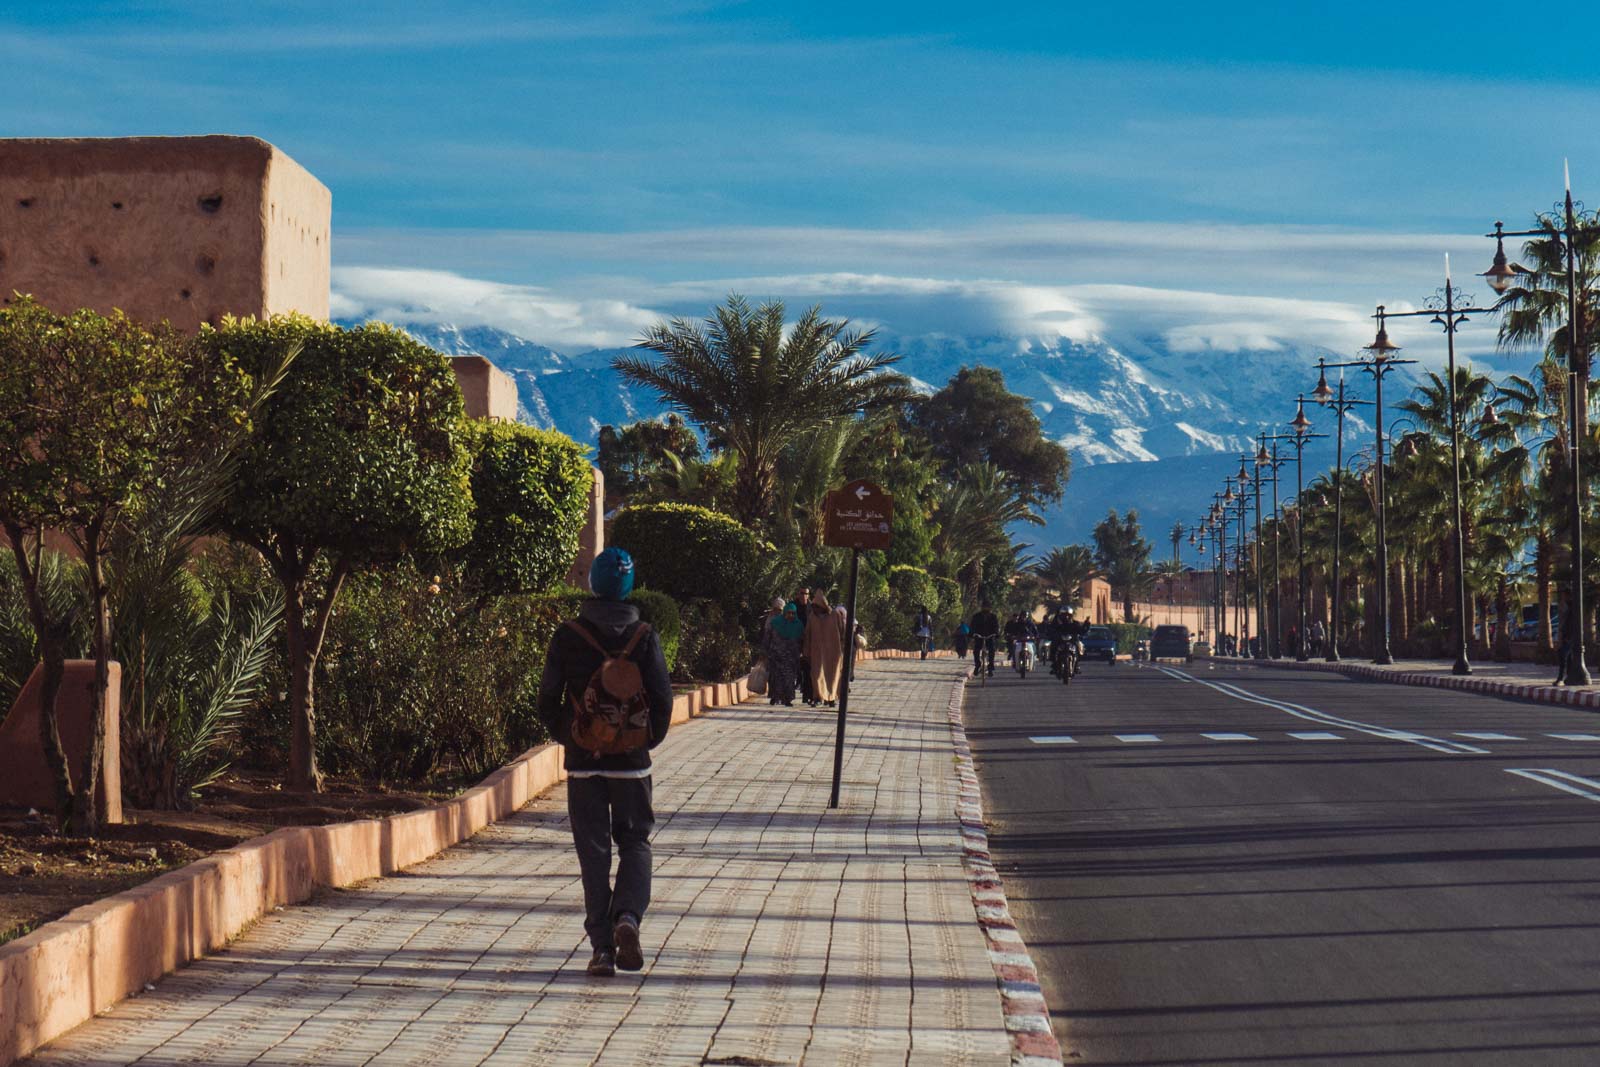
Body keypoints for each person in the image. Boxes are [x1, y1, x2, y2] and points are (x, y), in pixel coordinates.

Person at [537, 547, 673, 978]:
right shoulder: (645, 636)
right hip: (632, 764)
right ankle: (628, 919)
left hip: (584, 764)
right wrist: (644, 740)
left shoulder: (568, 634)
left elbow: (547, 699)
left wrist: (573, 737)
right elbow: (663, 699)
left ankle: (601, 949)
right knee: (635, 842)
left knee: (593, 853)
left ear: (593, 583)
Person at [805, 590, 846, 706]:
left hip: (833, 653)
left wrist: (842, 648)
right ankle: (818, 697)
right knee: (817, 675)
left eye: (817, 607)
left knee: (832, 676)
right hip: (817, 652)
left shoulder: (834, 615)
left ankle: (831, 698)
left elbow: (842, 632)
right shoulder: (812, 617)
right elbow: (808, 634)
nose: (815, 609)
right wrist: (806, 651)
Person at [763, 601, 805, 705]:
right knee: (775, 678)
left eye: (792, 613)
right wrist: (764, 651)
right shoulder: (775, 623)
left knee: (789, 679)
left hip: (791, 657)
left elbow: (802, 640)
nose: (790, 615)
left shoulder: (798, 625)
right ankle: (775, 697)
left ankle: (787, 699)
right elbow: (767, 637)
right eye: (788, 613)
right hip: (776, 656)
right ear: (784, 612)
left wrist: (802, 653)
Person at [970, 602, 1000, 677]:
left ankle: (990, 667)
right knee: (976, 651)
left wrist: (996, 634)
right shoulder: (976, 616)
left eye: (987, 607)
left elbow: (996, 627)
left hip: (989, 637)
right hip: (979, 636)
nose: (986, 608)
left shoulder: (993, 617)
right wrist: (972, 633)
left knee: (992, 650)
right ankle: (977, 665)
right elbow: (972, 626)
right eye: (984, 607)